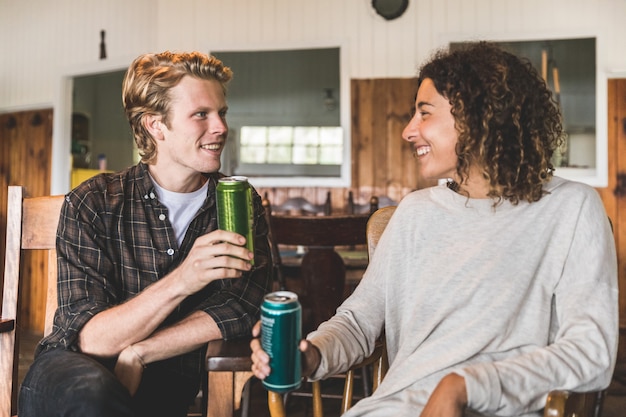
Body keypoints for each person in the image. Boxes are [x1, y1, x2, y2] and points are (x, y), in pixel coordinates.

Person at [250, 41, 618, 417]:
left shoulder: (571, 208)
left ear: (479, 116)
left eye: (424, 113)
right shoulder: (415, 213)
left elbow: (592, 352)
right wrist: (311, 354)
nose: (409, 131)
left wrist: (465, 386)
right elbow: (359, 323)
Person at [19, 51, 272, 417]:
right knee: (94, 397)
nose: (220, 127)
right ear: (156, 125)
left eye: (222, 112)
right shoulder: (93, 201)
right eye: (201, 114)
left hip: (166, 380)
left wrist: (142, 351)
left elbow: (240, 306)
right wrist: (183, 280)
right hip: (70, 374)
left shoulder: (236, 203)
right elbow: (92, 339)